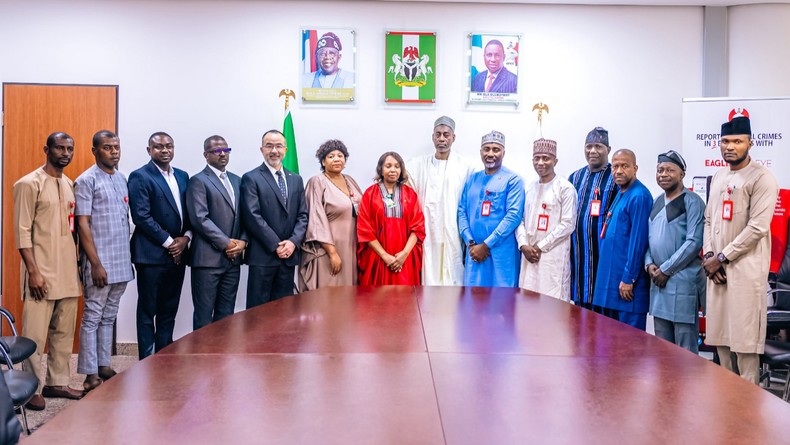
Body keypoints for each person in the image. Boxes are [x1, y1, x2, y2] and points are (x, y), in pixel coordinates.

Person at [703, 115, 778, 384]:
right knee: (722, 344)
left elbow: (757, 227)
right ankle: (725, 403)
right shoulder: (719, 175)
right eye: (725, 141)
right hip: (717, 275)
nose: (730, 147)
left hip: (745, 274)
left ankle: (748, 407)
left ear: (750, 143)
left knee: (745, 348)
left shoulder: (762, 178)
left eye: (737, 141)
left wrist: (722, 257)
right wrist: (709, 256)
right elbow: (709, 219)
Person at [14, 132, 84, 410]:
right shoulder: (28, 184)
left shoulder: (69, 184)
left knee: (64, 331)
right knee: (34, 335)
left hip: (67, 270)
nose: (65, 153)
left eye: (70, 149)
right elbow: (22, 232)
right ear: (47, 149)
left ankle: (57, 381)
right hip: (40, 271)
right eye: (60, 148)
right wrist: (33, 272)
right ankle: (30, 387)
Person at [74, 130, 134, 392]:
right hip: (100, 262)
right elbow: (83, 224)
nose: (114, 152)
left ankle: (103, 364)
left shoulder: (121, 178)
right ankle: (89, 374)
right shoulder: (86, 180)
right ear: (95, 151)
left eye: (116, 147)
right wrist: (95, 264)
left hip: (121, 259)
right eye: (107, 147)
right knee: (93, 317)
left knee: (109, 316)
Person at [128, 132, 191, 360]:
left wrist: (186, 238)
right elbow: (141, 216)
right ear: (149, 150)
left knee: (169, 309)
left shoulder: (182, 176)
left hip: (178, 254)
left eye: (169, 146)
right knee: (148, 311)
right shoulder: (140, 176)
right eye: (158, 147)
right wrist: (170, 242)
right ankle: (146, 360)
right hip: (151, 255)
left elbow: (189, 212)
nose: (164, 150)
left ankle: (164, 357)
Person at [645, 150, 705, 353]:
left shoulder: (692, 202)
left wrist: (666, 269)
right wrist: (649, 264)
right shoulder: (656, 201)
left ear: (682, 174)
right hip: (658, 284)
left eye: (670, 170)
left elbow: (694, 242)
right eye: (660, 170)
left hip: (682, 281)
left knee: (685, 350)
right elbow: (650, 239)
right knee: (662, 349)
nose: (663, 174)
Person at [241, 130, 308, 307]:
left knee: (284, 310)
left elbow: (303, 215)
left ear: (286, 149)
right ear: (261, 149)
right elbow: (252, 216)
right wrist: (276, 245)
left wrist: (292, 242)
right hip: (263, 256)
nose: (274, 151)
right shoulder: (251, 178)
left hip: (288, 256)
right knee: (258, 311)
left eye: (278, 146)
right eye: (269, 146)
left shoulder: (296, 179)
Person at [185, 135, 246, 330]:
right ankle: (202, 351)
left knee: (226, 315)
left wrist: (243, 242)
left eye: (226, 150)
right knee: (204, 316)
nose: (222, 154)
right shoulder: (198, 181)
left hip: (232, 260)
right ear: (206, 155)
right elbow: (199, 219)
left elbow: (246, 216)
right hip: (207, 261)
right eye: (216, 151)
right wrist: (227, 243)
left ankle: (223, 351)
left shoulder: (237, 180)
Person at [407, 116, 474, 285]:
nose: (442, 139)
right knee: (429, 271)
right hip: (428, 231)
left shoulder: (465, 166)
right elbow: (403, 181)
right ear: (433, 137)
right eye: (438, 134)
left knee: (452, 273)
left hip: (453, 231)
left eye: (446, 135)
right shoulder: (418, 165)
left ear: (453, 137)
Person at [593, 149, 652, 330]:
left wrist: (629, 278)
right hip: (611, 284)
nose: (619, 171)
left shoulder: (639, 196)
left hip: (626, 287)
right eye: (615, 166)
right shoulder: (621, 192)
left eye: (624, 166)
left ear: (635, 168)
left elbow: (638, 242)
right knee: (608, 341)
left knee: (629, 342)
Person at [458, 130, 525, 287]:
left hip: (502, 255)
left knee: (501, 299)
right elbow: (461, 211)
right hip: (474, 254)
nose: (490, 154)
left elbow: (513, 216)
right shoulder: (472, 179)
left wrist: (486, 245)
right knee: (473, 298)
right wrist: (471, 243)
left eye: (496, 150)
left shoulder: (513, 180)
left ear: (503, 153)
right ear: (480, 152)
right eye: (486, 149)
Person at [516, 138, 577, 300]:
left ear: (555, 161)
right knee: (527, 303)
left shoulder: (565, 188)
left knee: (552, 305)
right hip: (528, 255)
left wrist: (540, 246)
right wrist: (523, 245)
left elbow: (568, 224)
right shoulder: (529, 188)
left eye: (546, 158)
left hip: (552, 258)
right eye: (537, 158)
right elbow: (519, 220)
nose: (541, 162)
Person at [299, 140, 362, 291]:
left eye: (340, 155)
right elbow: (315, 220)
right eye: (331, 156)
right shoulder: (317, 182)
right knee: (329, 293)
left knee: (349, 292)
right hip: (327, 250)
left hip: (351, 247)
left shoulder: (350, 180)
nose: (336, 159)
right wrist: (332, 253)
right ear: (323, 161)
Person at [569, 127, 619, 310]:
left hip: (604, 255)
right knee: (579, 311)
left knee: (603, 312)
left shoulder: (616, 177)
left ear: (608, 149)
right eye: (588, 146)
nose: (592, 151)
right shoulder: (575, 178)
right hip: (578, 256)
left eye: (598, 146)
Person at [357, 152, 425, 285]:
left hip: (404, 259)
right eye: (388, 166)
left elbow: (418, 227)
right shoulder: (370, 194)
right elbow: (364, 229)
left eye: (397, 166)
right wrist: (385, 256)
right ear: (381, 169)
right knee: (378, 295)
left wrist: (404, 254)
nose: (393, 170)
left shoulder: (410, 194)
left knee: (404, 295)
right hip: (378, 258)